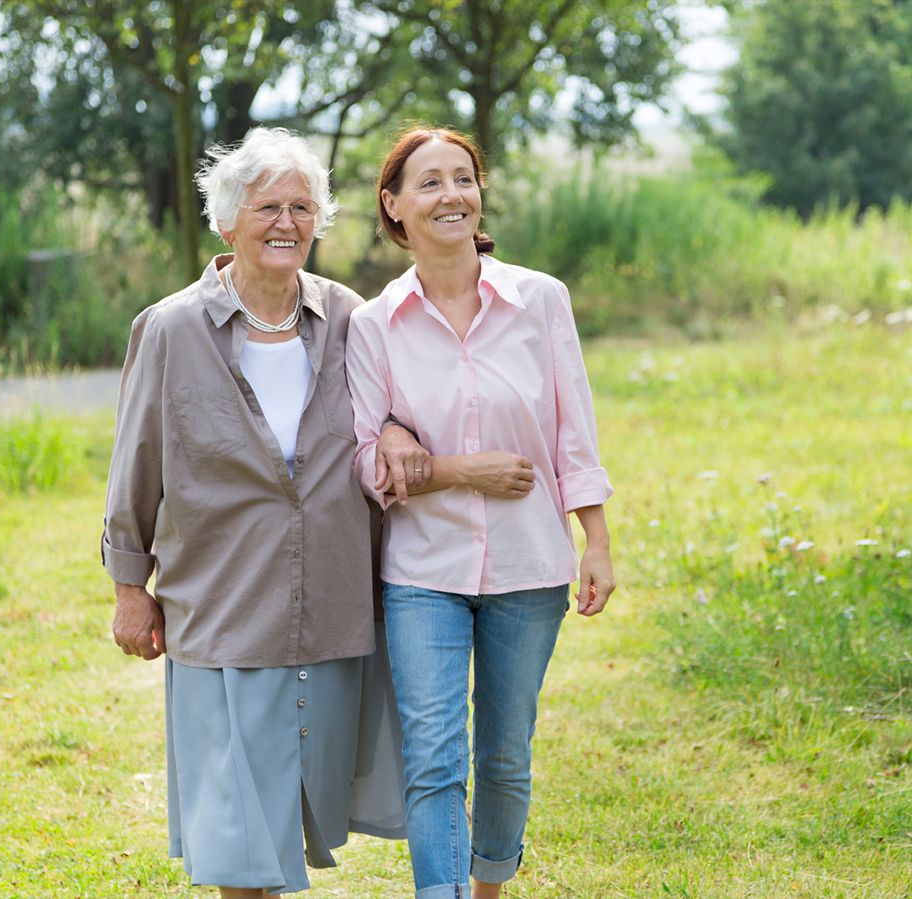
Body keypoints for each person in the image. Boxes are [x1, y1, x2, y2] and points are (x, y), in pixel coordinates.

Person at [101, 127, 409, 898]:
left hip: (333, 599)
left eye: (302, 206)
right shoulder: (170, 327)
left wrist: (400, 430)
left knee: (287, 811)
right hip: (223, 601)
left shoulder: (350, 317)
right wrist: (130, 587)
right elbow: (137, 461)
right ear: (227, 219)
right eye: (267, 205)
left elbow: (395, 411)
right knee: (238, 832)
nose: (286, 222)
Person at [345, 126, 617, 899]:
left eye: (462, 178)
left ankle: (489, 886)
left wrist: (595, 538)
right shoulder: (374, 325)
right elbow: (368, 463)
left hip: (530, 563)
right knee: (434, 756)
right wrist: (457, 470)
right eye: (428, 184)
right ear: (394, 207)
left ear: (480, 193)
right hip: (422, 571)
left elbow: (574, 431)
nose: (451, 195)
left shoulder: (540, 301)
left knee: (503, 755)